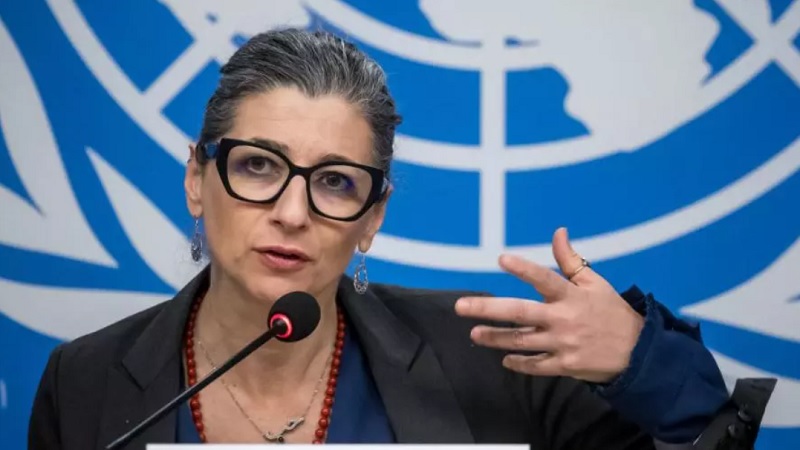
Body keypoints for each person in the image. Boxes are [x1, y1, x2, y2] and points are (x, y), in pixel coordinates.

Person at [28, 28, 773, 450]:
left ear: (372, 217)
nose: (292, 211)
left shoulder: (499, 365)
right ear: (198, 177)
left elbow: (706, 433)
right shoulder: (83, 381)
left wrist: (640, 359)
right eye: (258, 166)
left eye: (335, 181)